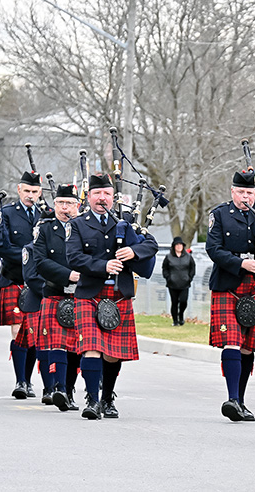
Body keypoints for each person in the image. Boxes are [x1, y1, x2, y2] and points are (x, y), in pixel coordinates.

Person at [66, 173, 158, 420]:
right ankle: (92, 400)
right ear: (89, 197)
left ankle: (107, 398)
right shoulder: (77, 224)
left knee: (113, 353)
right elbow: (73, 257)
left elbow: (151, 245)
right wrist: (102, 266)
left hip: (118, 294)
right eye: (97, 194)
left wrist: (133, 251)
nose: (102, 198)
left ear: (113, 197)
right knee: (91, 347)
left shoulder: (124, 223)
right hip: (90, 293)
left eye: (106, 193)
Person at [206, 171, 255, 422]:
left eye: (250, 193)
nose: (246, 197)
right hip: (229, 284)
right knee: (231, 341)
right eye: (241, 192)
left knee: (248, 347)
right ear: (232, 192)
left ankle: (241, 401)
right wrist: (241, 264)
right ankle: (231, 398)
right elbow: (214, 249)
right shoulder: (219, 214)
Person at [33, 184, 82, 411]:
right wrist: (67, 275)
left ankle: (69, 391)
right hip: (55, 291)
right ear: (54, 205)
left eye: (70, 203)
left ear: (77, 206)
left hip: (81, 293)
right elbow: (40, 262)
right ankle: (59, 388)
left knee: (76, 347)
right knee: (58, 344)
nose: (65, 208)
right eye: (61, 203)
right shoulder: (45, 229)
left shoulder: (84, 227)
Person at [0, 171, 42, 399]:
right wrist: (28, 257)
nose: (30, 195)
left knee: (32, 332)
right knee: (18, 330)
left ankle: (29, 380)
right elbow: (1, 247)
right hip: (14, 277)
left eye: (34, 192)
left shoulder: (46, 215)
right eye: (27, 191)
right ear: (19, 190)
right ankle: (20, 381)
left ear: (40, 192)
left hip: (38, 282)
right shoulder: (6, 214)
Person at [162, 236, 195, 326]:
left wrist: (189, 278)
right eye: (177, 245)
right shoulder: (168, 257)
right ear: (174, 246)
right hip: (172, 284)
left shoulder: (188, 257)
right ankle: (175, 321)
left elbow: (192, 268)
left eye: (180, 245)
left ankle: (181, 316)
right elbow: (165, 269)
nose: (179, 246)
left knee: (183, 301)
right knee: (175, 302)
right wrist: (168, 278)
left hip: (185, 283)